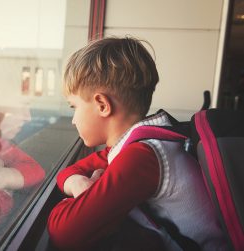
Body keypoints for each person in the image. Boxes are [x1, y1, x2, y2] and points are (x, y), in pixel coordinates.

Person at [47, 37, 228, 251]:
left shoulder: (143, 157)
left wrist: (77, 202)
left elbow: (64, 232)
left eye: (73, 107)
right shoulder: (143, 141)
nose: (73, 119)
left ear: (102, 105)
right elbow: (69, 171)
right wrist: (79, 184)